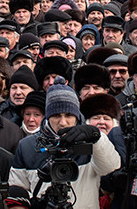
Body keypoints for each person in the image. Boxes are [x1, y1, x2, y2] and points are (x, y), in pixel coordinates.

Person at [10, 77, 121, 209]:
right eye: (56, 115)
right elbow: (17, 189)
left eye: (69, 115)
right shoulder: (27, 145)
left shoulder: (91, 142)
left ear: (77, 116)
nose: (63, 122)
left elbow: (111, 167)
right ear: (48, 116)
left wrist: (97, 138)